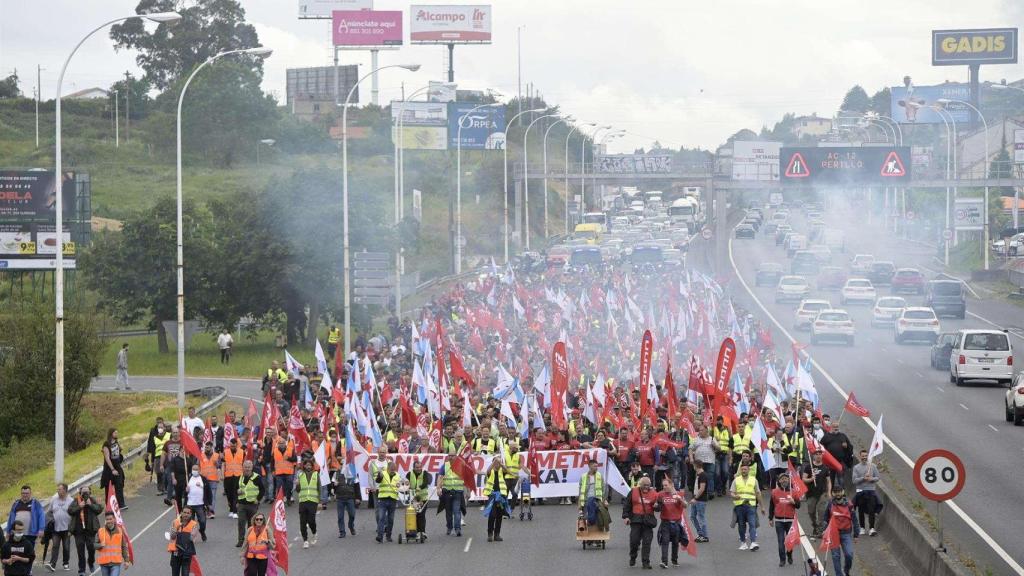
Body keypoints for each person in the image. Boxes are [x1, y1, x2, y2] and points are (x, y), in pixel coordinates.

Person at [622, 475, 658, 569]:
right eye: (644, 485)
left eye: (648, 485)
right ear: (640, 484)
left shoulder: (654, 493)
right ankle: (633, 557)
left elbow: (659, 507)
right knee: (634, 541)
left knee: (647, 542)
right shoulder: (633, 491)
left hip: (648, 521)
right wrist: (625, 517)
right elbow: (627, 504)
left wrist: (657, 506)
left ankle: (646, 562)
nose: (646, 487)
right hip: (636, 520)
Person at [823, 485, 859, 576]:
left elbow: (854, 520)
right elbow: (825, 518)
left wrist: (856, 534)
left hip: (846, 533)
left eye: (839, 491)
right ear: (833, 493)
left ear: (842, 492)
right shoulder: (830, 504)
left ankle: (846, 570)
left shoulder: (849, 505)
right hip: (833, 534)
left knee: (849, 554)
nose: (837, 493)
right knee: (836, 556)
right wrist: (825, 529)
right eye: (835, 492)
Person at [68, 486, 103, 576]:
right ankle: (81, 570)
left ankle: (91, 562)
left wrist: (90, 504)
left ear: (90, 492)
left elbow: (99, 509)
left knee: (91, 549)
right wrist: (79, 507)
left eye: (87, 492)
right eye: (83, 492)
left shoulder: (92, 500)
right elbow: (70, 511)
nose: (85, 494)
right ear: (80, 493)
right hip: (78, 531)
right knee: (80, 551)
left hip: (90, 531)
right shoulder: (76, 500)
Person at [768, 472, 800, 567]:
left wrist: (793, 502)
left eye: (786, 478)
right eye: (782, 479)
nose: (784, 480)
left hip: (790, 521)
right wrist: (770, 518)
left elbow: (798, 506)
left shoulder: (793, 492)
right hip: (779, 521)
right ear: (779, 481)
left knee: (790, 541)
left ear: (789, 480)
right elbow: (771, 505)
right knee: (780, 541)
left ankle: (789, 554)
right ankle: (782, 559)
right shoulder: (774, 492)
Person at [729, 461, 762, 551]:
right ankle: (743, 542)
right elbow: (731, 492)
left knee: (752, 524)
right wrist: (734, 496)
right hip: (739, 506)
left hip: (751, 506)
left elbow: (758, 493)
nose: (744, 471)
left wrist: (762, 507)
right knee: (741, 525)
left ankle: (753, 542)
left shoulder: (754, 480)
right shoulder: (736, 480)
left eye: (745, 469)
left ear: (748, 470)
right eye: (742, 469)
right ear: (740, 470)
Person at [656, 477, 687, 569]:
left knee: (675, 542)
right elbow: (657, 506)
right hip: (665, 522)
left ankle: (674, 560)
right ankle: (664, 561)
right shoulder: (661, 494)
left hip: (676, 523)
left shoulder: (679, 494)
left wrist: (679, 499)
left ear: (671, 485)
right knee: (665, 541)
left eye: (666, 485)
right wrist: (656, 506)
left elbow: (685, 505)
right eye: (663, 485)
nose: (664, 487)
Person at [235, 461, 265, 548]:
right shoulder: (239, 477)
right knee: (241, 522)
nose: (247, 469)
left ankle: (250, 540)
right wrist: (237, 492)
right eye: (245, 467)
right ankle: (240, 540)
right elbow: (235, 490)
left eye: (249, 467)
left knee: (251, 523)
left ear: (252, 468)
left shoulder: (257, 477)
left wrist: (258, 499)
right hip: (242, 504)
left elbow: (262, 490)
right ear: (243, 467)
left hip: (252, 504)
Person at [802, 451, 832, 538]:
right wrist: (811, 479)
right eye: (816, 454)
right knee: (811, 512)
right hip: (811, 493)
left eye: (820, 454)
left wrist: (829, 492)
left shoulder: (825, 468)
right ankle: (815, 525)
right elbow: (803, 479)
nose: (818, 456)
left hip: (823, 493)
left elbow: (829, 481)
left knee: (821, 512)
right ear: (813, 456)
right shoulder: (809, 467)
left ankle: (820, 530)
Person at [45, 483, 73, 572]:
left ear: (65, 490)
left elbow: (74, 516)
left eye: (60, 489)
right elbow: (48, 512)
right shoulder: (54, 500)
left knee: (66, 547)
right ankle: (52, 564)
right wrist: (50, 520)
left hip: (67, 529)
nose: (58, 491)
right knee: (55, 546)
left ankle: (66, 563)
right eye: (57, 489)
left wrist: (72, 529)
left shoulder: (71, 501)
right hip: (55, 528)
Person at [7, 486, 45, 551]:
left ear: (30, 493)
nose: (25, 495)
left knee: (29, 552)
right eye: (23, 493)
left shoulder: (35, 503)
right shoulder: (16, 503)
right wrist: (8, 531)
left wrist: (41, 529)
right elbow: (10, 518)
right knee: (18, 551)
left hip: (30, 534)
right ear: (21, 494)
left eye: (27, 493)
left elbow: (41, 516)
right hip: (17, 533)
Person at [852, 449, 880, 536]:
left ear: (868, 456)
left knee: (871, 510)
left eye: (866, 456)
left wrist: (871, 479)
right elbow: (854, 480)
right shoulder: (856, 467)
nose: (864, 457)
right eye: (863, 456)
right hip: (860, 491)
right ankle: (862, 528)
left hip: (871, 491)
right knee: (861, 510)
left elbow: (878, 477)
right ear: (860, 457)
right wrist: (863, 478)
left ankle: (871, 528)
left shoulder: (873, 466)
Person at [482, 458, 510, 543]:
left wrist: (501, 464)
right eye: (496, 463)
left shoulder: (502, 471)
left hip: (501, 496)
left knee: (499, 515)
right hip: (492, 496)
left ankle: (497, 534)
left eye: (498, 463)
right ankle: (490, 534)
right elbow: (488, 470)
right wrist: (494, 462)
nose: (497, 464)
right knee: (492, 515)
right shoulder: (491, 472)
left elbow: (507, 471)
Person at [437, 455, 464, 537]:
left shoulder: (461, 465)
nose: (451, 457)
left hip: (458, 492)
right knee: (448, 512)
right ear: (448, 457)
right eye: (450, 456)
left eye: (453, 456)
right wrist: (438, 488)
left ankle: (457, 529)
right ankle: (449, 527)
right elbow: (440, 477)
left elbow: (466, 476)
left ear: (456, 457)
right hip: (447, 492)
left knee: (457, 511)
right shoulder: (445, 466)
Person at [95, 511, 129, 576]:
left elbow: (123, 546)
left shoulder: (119, 531)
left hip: (115, 563)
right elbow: (94, 545)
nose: (109, 521)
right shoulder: (100, 531)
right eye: (107, 519)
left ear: (114, 519)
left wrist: (126, 560)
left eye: (110, 519)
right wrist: (100, 545)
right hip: (104, 563)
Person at [167, 507, 198, 576]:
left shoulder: (194, 524)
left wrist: (183, 529)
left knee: (185, 574)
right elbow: (172, 537)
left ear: (191, 514)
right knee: (175, 574)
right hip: (176, 552)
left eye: (188, 513)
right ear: (181, 513)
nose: (186, 514)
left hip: (186, 553)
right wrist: (175, 530)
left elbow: (192, 538)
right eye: (184, 512)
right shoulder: (175, 522)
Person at [374, 460, 399, 543]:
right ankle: (380, 536)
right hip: (383, 499)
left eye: (394, 469)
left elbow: (400, 487)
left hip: (393, 499)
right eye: (391, 469)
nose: (393, 471)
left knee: (390, 519)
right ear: (388, 468)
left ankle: (388, 536)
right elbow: (377, 481)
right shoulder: (382, 473)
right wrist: (379, 476)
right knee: (381, 518)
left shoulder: (398, 476)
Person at [407, 460, 432, 541]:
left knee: (421, 514)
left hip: (423, 498)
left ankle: (422, 532)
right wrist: (406, 488)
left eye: (420, 467)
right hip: (413, 499)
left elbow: (426, 482)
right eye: (417, 467)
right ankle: (415, 531)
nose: (418, 469)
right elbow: (406, 483)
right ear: (414, 467)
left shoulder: (424, 473)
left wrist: (420, 487)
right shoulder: (409, 474)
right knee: (414, 515)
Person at [577, 458, 607, 528]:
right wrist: (579, 503)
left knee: (598, 519)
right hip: (586, 501)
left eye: (597, 466)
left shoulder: (600, 475)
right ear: (589, 466)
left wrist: (604, 500)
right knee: (585, 519)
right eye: (595, 466)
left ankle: (597, 536)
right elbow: (580, 490)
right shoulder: (583, 476)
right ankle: (587, 537)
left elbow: (604, 489)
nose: (596, 468)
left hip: (597, 501)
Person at [101, 429, 126, 510]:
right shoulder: (106, 444)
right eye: (115, 432)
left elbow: (119, 451)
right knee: (108, 488)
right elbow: (107, 458)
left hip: (118, 466)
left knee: (119, 485)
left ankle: (121, 504)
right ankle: (109, 506)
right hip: (109, 469)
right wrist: (112, 469)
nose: (117, 434)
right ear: (111, 434)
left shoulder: (116, 442)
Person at [297, 459, 319, 548]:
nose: (308, 467)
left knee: (311, 520)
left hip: (313, 501)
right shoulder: (300, 475)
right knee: (302, 522)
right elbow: (298, 490)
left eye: (310, 465)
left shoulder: (316, 474)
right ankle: (305, 540)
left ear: (312, 466)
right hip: (303, 501)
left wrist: (320, 501)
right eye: (306, 465)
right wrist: (297, 485)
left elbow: (319, 488)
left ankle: (314, 532)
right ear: (304, 466)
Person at [146, 418, 171, 495]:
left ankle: (167, 488)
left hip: (167, 456)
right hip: (157, 456)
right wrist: (151, 459)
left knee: (167, 472)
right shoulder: (155, 437)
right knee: (159, 473)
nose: (160, 429)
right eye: (158, 427)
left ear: (164, 428)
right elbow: (152, 447)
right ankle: (160, 489)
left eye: (161, 427)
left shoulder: (169, 435)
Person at [222, 437, 244, 519]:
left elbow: (244, 464)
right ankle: (231, 510)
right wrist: (221, 475)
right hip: (228, 476)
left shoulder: (242, 452)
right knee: (229, 493)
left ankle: (235, 511)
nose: (233, 448)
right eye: (231, 446)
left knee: (236, 493)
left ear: (237, 445)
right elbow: (223, 464)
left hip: (238, 475)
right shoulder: (226, 452)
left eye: (234, 446)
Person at [185, 464, 208, 542]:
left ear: (199, 470)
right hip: (190, 504)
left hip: (200, 504)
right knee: (190, 522)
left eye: (196, 469)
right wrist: (186, 490)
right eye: (193, 469)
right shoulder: (188, 479)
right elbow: (183, 492)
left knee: (202, 521)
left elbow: (208, 490)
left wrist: (209, 503)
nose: (194, 471)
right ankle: (191, 537)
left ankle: (202, 531)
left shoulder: (203, 479)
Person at [335, 467, 359, 538]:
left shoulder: (353, 473)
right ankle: (342, 532)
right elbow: (333, 485)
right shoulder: (337, 473)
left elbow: (357, 486)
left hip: (350, 498)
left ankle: (351, 526)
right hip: (340, 498)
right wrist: (334, 485)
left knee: (352, 514)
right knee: (340, 516)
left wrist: (358, 497)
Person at [688, 459, 709, 543]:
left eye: (693, 465)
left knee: (701, 517)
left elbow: (702, 488)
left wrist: (695, 498)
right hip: (696, 499)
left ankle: (704, 536)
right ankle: (700, 534)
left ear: (696, 466)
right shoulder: (698, 475)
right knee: (692, 516)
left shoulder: (703, 475)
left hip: (700, 500)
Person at [272, 436, 297, 505]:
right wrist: (272, 470)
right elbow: (272, 462)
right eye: (280, 443)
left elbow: (295, 459)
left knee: (289, 486)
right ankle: (280, 500)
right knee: (280, 487)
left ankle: (288, 498)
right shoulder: (275, 450)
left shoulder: (291, 449)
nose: (281, 444)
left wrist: (288, 458)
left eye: (283, 443)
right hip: (279, 472)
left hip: (289, 472)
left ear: (285, 443)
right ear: (278, 444)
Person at [199, 442, 221, 519]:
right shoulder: (201, 455)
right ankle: (206, 510)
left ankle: (211, 511)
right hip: (203, 479)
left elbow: (220, 466)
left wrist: (217, 464)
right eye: (205, 447)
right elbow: (197, 466)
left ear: (212, 447)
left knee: (212, 496)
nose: (206, 449)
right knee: (204, 496)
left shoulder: (216, 455)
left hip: (213, 479)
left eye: (208, 447)